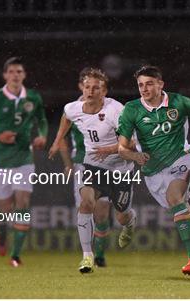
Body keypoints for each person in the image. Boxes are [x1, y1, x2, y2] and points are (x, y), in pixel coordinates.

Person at [117, 65, 190, 275]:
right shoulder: (132, 109)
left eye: (149, 83)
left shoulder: (178, 102)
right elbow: (121, 147)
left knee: (175, 198)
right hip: (152, 173)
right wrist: (134, 155)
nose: (144, 89)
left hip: (181, 159)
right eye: (140, 85)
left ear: (161, 84)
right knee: (186, 217)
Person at [49, 68, 137, 274]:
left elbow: (131, 143)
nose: (90, 91)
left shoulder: (116, 110)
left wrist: (107, 149)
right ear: (82, 87)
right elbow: (66, 117)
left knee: (120, 215)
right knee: (87, 203)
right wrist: (57, 140)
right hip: (90, 164)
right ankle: (88, 256)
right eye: (87, 87)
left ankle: (130, 223)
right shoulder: (74, 107)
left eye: (95, 88)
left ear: (104, 91)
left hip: (118, 167)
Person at [0, 57, 48, 267]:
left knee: (23, 203)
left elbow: (42, 119)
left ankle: (15, 255)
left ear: (24, 75)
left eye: (19, 71)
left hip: (24, 158)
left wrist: (42, 135)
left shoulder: (33, 97)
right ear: (5, 75)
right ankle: (1, 228)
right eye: (11, 72)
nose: (15, 75)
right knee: (5, 208)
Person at [59, 123, 112, 268]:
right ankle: (87, 255)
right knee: (86, 205)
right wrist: (68, 164)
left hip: (105, 165)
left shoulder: (109, 109)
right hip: (82, 164)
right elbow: (61, 137)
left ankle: (100, 256)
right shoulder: (73, 110)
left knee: (101, 214)